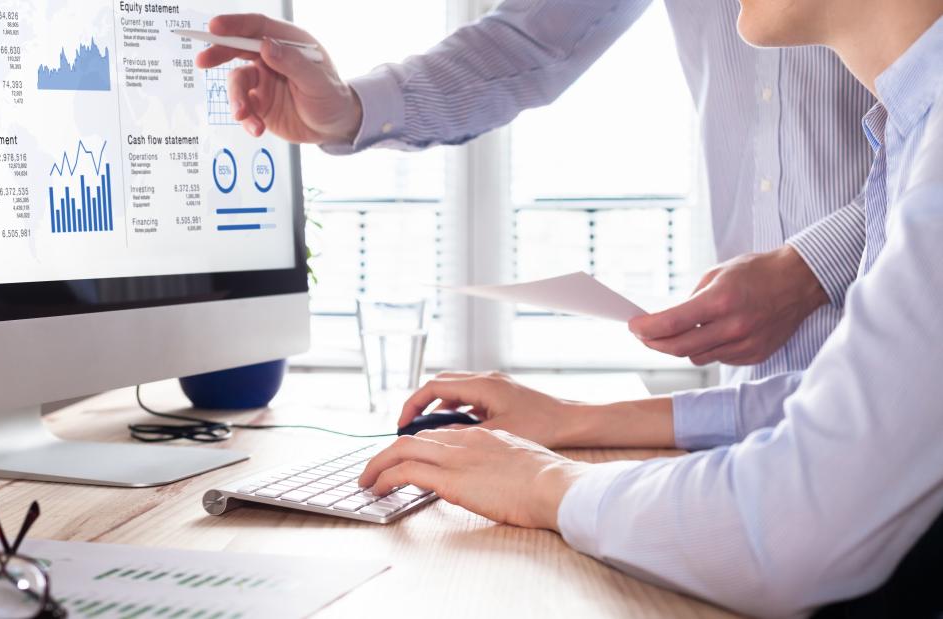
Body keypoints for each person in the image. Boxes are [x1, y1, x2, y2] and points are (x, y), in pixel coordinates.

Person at [352, 1, 943, 615]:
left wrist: (542, 483)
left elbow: (795, 526)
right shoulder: (911, 132)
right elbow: (848, 402)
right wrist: (576, 420)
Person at [198, 0, 874, 387]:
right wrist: (346, 108)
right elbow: (529, 44)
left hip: (906, 377)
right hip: (757, 399)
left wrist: (813, 268)